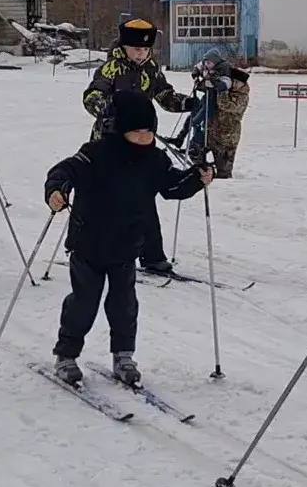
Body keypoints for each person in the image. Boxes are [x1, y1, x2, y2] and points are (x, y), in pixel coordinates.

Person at [45, 91, 212, 387]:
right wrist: (58, 190)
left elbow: (172, 187)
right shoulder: (96, 153)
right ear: (119, 129)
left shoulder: (155, 160)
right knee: (84, 303)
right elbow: (63, 170)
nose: (144, 138)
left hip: (126, 245)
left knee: (124, 305)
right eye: (136, 132)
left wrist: (197, 178)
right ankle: (66, 355)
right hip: (88, 243)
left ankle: (123, 355)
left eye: (149, 131)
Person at [82, 18, 196, 274]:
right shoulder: (111, 69)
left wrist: (187, 103)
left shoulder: (151, 69)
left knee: (144, 198)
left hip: (142, 144)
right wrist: (107, 109)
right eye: (136, 49)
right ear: (124, 46)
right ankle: (96, 246)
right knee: (107, 199)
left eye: (145, 49)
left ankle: (152, 255)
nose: (141, 53)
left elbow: (164, 95)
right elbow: (91, 97)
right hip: (109, 143)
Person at [186, 48, 234, 164]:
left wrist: (214, 82)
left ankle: (198, 144)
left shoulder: (223, 68)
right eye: (205, 62)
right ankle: (195, 145)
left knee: (199, 121)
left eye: (209, 62)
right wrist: (196, 76)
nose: (206, 65)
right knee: (193, 119)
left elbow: (226, 84)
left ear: (215, 61)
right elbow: (197, 68)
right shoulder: (205, 64)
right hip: (205, 97)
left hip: (214, 100)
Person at [209, 67, 250, 179]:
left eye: (236, 82)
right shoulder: (231, 91)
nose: (233, 84)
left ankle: (225, 182)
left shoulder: (242, 97)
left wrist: (222, 90)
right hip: (215, 130)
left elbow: (225, 105)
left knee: (225, 165)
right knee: (214, 157)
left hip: (229, 135)